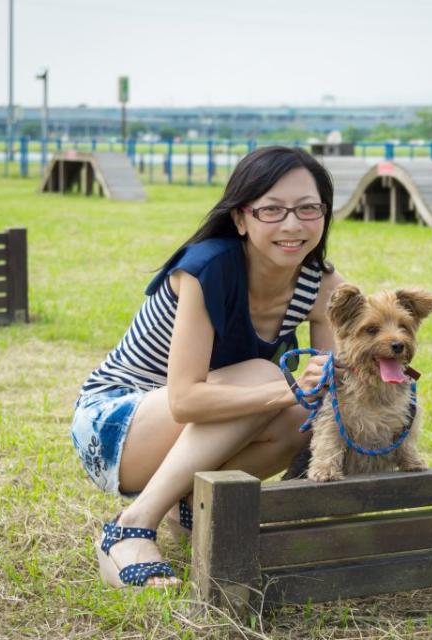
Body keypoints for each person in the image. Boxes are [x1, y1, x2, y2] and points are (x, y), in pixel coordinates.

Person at [70, 146, 344, 588]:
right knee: (268, 378)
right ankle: (129, 527)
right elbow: (185, 400)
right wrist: (285, 391)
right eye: (271, 210)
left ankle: (191, 509)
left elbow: (331, 390)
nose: (293, 225)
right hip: (116, 426)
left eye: (308, 208)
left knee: (306, 415)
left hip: (197, 428)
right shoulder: (207, 268)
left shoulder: (325, 286)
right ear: (240, 217)